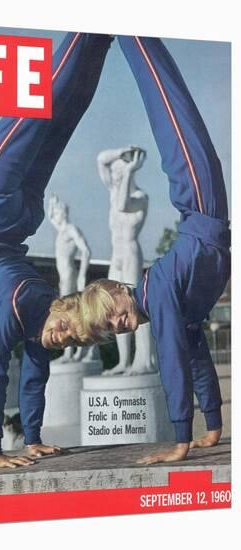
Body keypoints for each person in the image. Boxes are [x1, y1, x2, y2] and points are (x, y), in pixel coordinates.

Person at [0, 33, 114, 468]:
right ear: (63, 307)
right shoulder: (18, 305)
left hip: (3, 220)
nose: (59, 338)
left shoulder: (43, 320)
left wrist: (32, 438)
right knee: (48, 108)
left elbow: (34, 375)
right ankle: (93, 32)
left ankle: (100, 37)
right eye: (66, 328)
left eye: (67, 340)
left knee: (61, 117)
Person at [72, 36, 230, 464]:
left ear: (120, 290)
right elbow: (196, 361)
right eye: (116, 328)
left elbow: (174, 366)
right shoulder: (173, 309)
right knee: (169, 99)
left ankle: (130, 29)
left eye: (115, 313)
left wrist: (181, 441)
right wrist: (212, 427)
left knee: (164, 97)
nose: (122, 323)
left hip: (196, 199)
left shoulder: (157, 295)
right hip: (204, 208)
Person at [97, 145, 157, 376]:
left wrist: (129, 170)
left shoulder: (141, 198)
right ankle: (124, 361)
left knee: (134, 306)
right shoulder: (114, 191)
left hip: (131, 253)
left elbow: (123, 205)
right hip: (116, 256)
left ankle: (144, 360)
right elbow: (102, 159)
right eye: (115, 175)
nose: (115, 178)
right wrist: (122, 152)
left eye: (119, 174)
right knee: (115, 308)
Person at [48, 193, 91, 363]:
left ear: (63, 213)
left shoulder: (71, 229)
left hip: (70, 275)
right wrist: (52, 204)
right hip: (63, 278)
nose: (55, 217)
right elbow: (49, 216)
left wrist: (82, 274)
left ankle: (71, 353)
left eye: (58, 213)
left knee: (70, 314)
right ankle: (82, 350)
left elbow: (86, 250)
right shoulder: (61, 230)